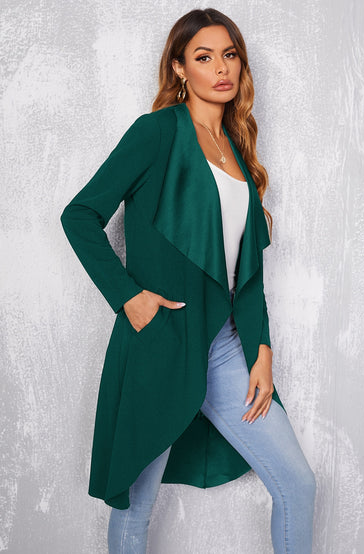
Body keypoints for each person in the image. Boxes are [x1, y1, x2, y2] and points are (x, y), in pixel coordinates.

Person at [60, 7, 316, 553]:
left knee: (297, 484)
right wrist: (128, 298)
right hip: (161, 341)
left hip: (224, 346)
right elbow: (79, 215)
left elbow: (246, 274)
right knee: (135, 508)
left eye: (230, 55)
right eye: (204, 57)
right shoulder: (156, 133)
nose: (221, 68)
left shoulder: (237, 152)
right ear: (179, 68)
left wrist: (262, 350)